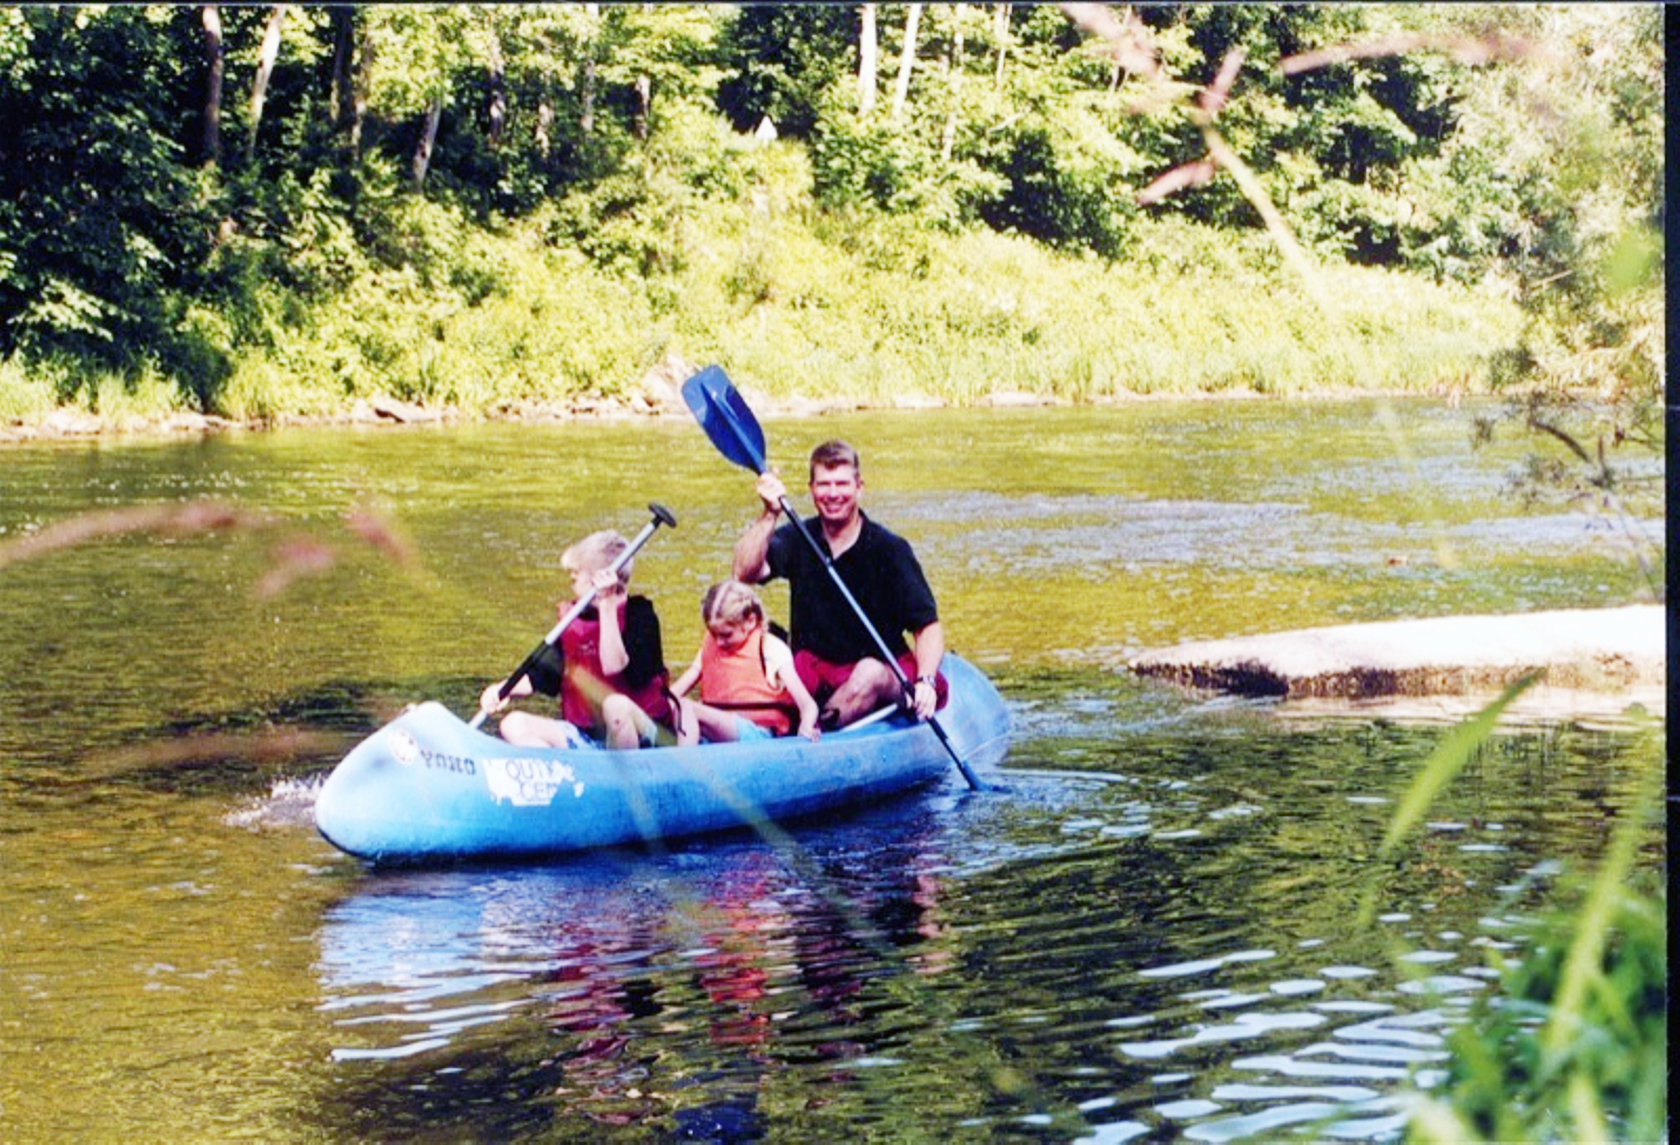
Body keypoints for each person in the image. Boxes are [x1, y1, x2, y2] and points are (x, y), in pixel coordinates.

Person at [732, 439, 947, 730]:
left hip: (879, 674)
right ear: (811, 490)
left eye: (842, 484)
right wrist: (769, 514)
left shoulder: (890, 549)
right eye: (824, 485)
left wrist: (926, 680)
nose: (833, 494)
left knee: (868, 673)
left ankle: (812, 735)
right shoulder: (798, 537)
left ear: (859, 487)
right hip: (815, 671)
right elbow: (743, 573)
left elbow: (927, 627)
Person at [479, 530, 685, 750]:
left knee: (615, 707)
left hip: (642, 734)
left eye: (578, 573)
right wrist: (502, 690)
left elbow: (613, 665)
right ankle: (559, 773)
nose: (572, 578)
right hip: (589, 736)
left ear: (601, 576)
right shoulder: (574, 620)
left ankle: (625, 779)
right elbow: (540, 675)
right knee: (514, 724)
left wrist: (606, 604)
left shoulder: (641, 616)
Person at [670, 580, 821, 743]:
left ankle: (685, 762)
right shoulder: (711, 647)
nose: (719, 642)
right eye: (714, 635)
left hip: (756, 735)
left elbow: (808, 706)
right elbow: (673, 696)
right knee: (678, 706)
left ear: (750, 621)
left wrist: (805, 727)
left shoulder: (770, 648)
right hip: (718, 733)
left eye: (726, 635)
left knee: (686, 706)